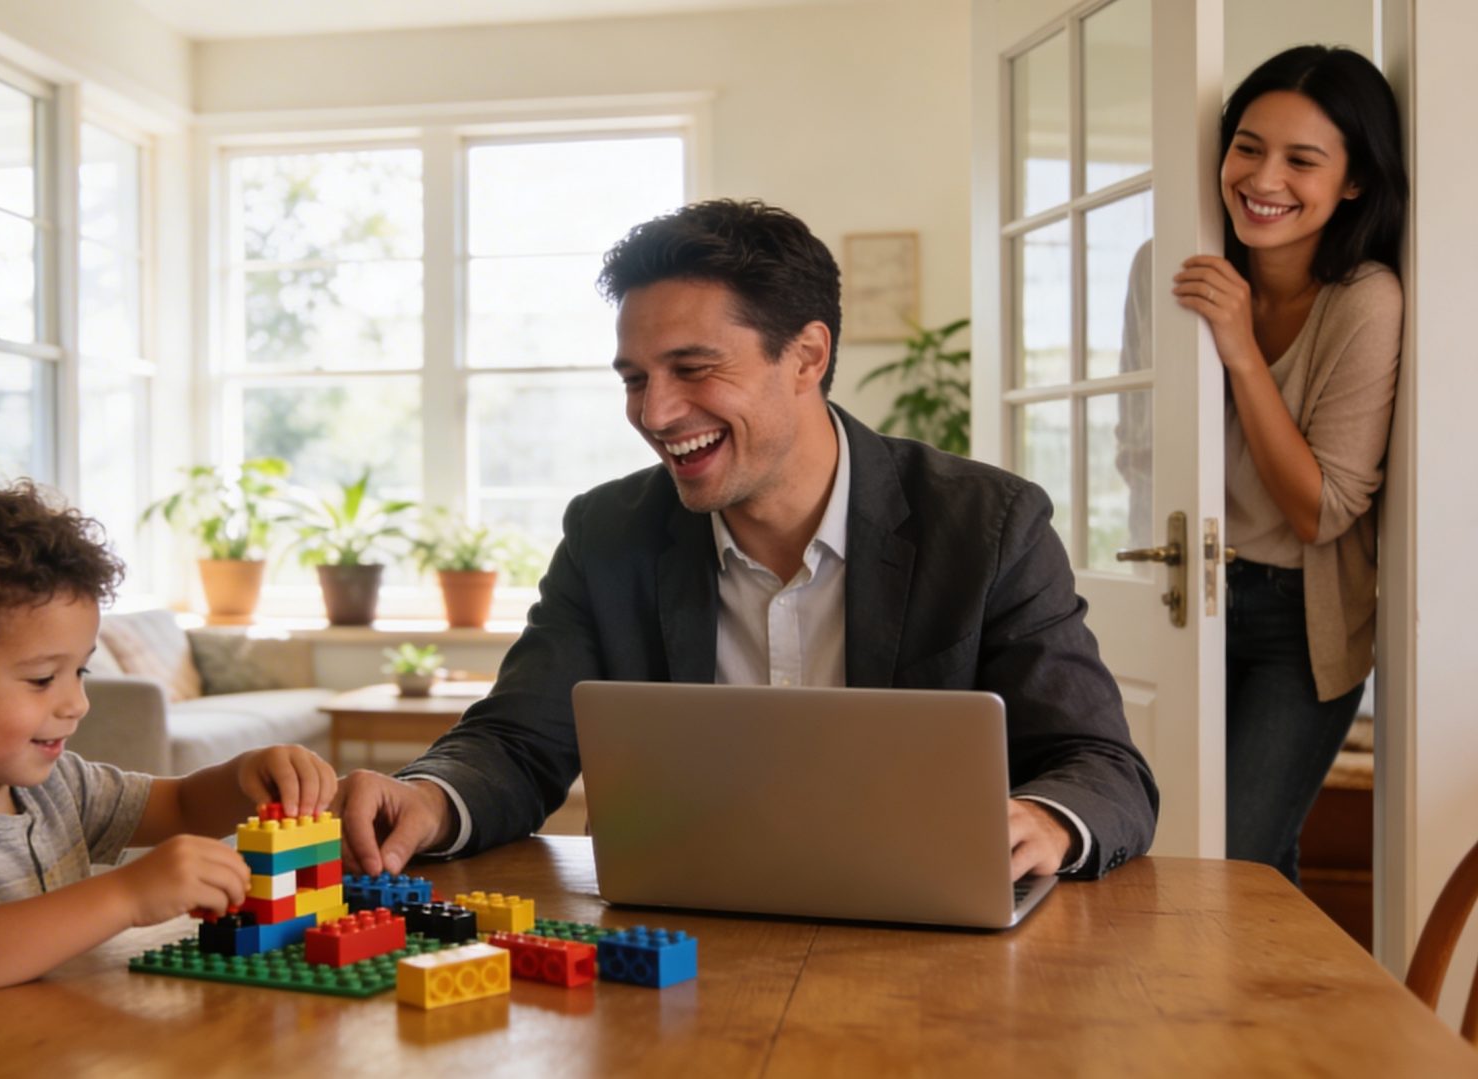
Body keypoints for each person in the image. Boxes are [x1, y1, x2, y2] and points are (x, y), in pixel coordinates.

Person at [337, 199, 1159, 881]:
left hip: (934, 943)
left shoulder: (988, 524)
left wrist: (1047, 819)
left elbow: (1102, 765)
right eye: (634, 377)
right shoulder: (608, 533)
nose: (654, 413)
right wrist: (432, 798)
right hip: (687, 939)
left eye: (694, 368)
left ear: (806, 356)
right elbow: (520, 739)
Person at [0, 469, 337, 1062]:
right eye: (40, 679)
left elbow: (181, 806)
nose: (76, 703)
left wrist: (246, 776)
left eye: (78, 672)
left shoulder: (54, 788)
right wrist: (126, 896)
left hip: (45, 1051)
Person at [1170, 46, 1406, 883]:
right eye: (1247, 145)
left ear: (1352, 182)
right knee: (1210, 853)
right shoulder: (1184, 269)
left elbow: (1321, 511)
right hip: (1183, 593)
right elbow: (1144, 458)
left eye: (1302, 160)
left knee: (1230, 857)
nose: (1263, 177)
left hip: (1297, 621)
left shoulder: (1366, 299)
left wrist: (1239, 349)